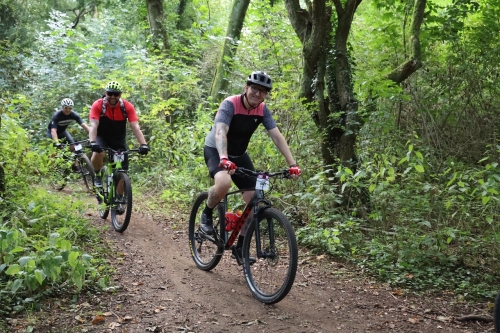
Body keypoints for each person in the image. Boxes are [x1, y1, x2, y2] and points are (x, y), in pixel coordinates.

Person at [201, 70, 302, 263]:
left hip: (239, 155)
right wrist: (223, 158)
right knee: (224, 182)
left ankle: (240, 247)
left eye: (263, 91)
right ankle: (206, 214)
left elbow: (276, 136)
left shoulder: (262, 110)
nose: (258, 94)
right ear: (246, 88)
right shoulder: (230, 104)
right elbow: (221, 132)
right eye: (254, 89)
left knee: (255, 198)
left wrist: (292, 164)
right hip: (216, 150)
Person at [88, 81, 149, 188]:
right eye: (109, 93)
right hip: (101, 136)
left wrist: (143, 144)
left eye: (116, 94)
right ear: (105, 93)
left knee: (121, 171)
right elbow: (93, 125)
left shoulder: (127, 107)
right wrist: (93, 142)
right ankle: (97, 174)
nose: (112, 96)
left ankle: (119, 201)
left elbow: (135, 127)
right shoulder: (98, 105)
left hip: (118, 140)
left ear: (120, 95)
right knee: (98, 153)